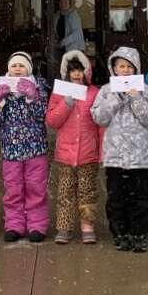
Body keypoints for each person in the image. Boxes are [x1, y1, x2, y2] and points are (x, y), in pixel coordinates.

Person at [91, 45, 148, 252]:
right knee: (116, 197)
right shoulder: (105, 90)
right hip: (114, 156)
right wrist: (118, 97)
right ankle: (120, 233)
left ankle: (139, 233)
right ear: (114, 68)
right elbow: (99, 117)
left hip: (138, 155)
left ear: (136, 68)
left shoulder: (147, 91)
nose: (126, 70)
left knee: (139, 197)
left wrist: (135, 97)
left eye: (130, 66)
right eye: (121, 66)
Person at [0, 51, 50, 242]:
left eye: (21, 65)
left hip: (35, 148)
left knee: (36, 188)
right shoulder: (1, 86)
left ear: (29, 68)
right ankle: (14, 224)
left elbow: (42, 116)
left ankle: (37, 225)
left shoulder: (38, 85)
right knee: (13, 189)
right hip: (11, 148)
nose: (17, 69)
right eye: (14, 66)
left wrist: (33, 97)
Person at [46, 49, 103, 245]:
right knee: (65, 192)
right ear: (67, 73)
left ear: (86, 72)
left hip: (88, 152)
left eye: (80, 70)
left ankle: (87, 226)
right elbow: (53, 121)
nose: (77, 74)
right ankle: (64, 226)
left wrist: (102, 151)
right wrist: (66, 103)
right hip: (66, 154)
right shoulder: (59, 93)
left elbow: (100, 124)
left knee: (87, 191)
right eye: (72, 71)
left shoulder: (94, 92)